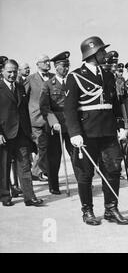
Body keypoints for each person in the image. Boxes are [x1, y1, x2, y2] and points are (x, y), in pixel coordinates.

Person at [64, 36, 128, 225]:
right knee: (85, 174)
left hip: (108, 132)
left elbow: (115, 104)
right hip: (86, 134)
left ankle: (111, 209)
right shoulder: (75, 76)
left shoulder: (108, 75)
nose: (105, 54)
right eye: (101, 51)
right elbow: (69, 109)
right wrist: (75, 133)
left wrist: (122, 127)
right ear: (92, 54)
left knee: (114, 169)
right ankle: (87, 211)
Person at [0, 59, 44, 207]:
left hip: (22, 133)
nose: (12, 74)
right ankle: (5, 196)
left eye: (14, 71)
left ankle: (29, 197)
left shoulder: (20, 87)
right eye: (9, 72)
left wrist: (29, 131)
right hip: (5, 134)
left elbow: (24, 111)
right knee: (4, 166)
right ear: (2, 71)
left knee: (24, 165)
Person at [39, 51, 73, 195]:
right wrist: (53, 122)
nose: (66, 68)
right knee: (54, 158)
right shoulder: (48, 84)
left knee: (77, 155)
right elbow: (44, 107)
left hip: (72, 125)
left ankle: (84, 182)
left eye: (67, 65)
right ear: (56, 66)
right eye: (63, 66)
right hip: (55, 127)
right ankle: (54, 185)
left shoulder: (73, 82)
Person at [25, 54, 55, 182]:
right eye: (45, 61)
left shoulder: (54, 77)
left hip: (51, 119)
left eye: (48, 61)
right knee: (43, 146)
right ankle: (36, 171)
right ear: (37, 64)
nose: (48, 63)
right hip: (35, 119)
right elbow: (24, 98)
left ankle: (43, 171)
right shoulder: (30, 79)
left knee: (50, 147)